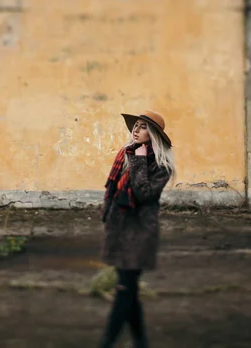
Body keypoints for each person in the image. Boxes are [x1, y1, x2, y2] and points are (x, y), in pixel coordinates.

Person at [99, 110, 176, 348]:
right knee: (129, 290)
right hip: (120, 228)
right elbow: (112, 191)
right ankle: (141, 341)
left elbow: (144, 194)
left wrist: (140, 161)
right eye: (136, 125)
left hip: (140, 232)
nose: (136, 129)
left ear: (152, 135)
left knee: (124, 290)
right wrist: (107, 218)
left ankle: (107, 342)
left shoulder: (161, 166)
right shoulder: (126, 155)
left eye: (143, 126)